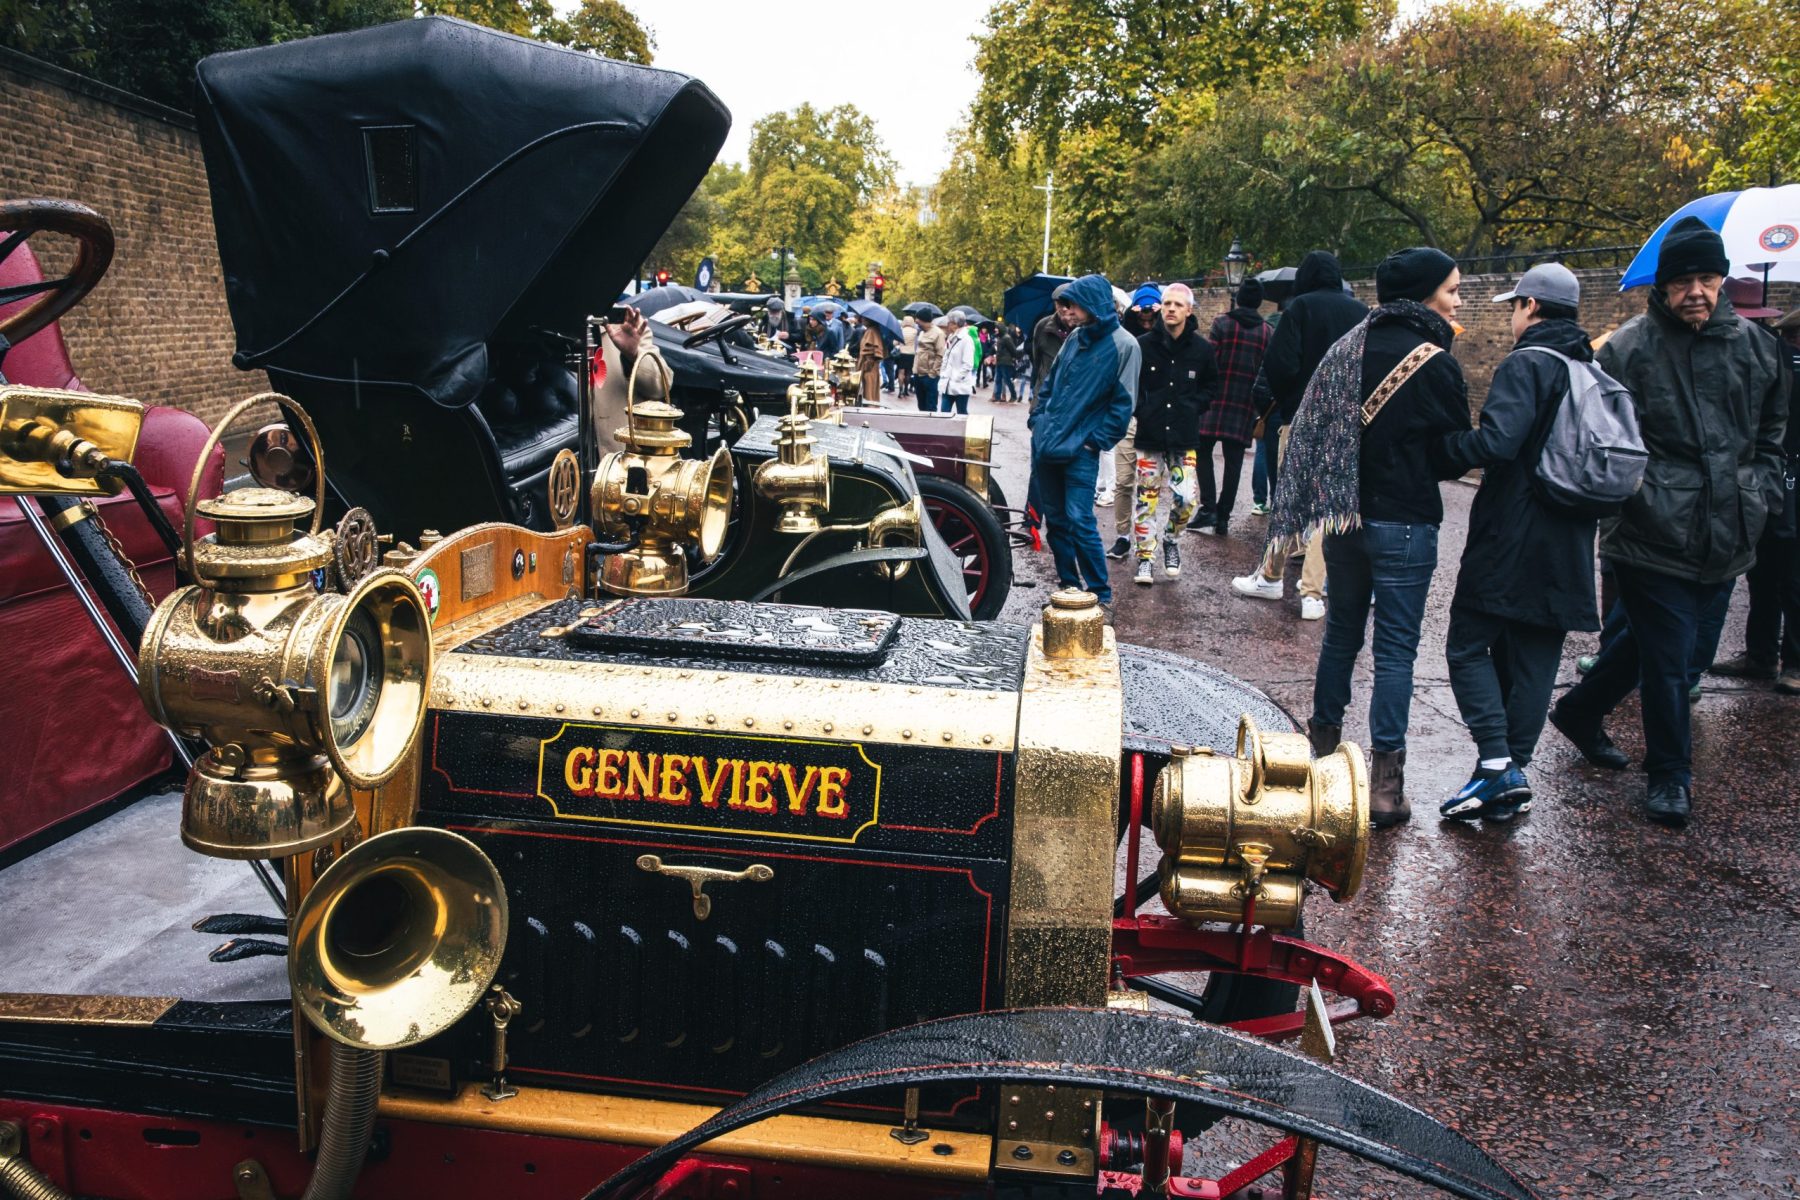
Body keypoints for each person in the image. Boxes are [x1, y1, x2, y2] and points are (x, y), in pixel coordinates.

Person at [1550, 217, 1790, 827]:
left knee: (1657, 644)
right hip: (1650, 531)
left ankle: (1581, 709)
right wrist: (1638, 495)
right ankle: (1671, 776)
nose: (1697, 293)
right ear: (1664, 286)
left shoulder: (1758, 349)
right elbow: (1600, 439)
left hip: (1731, 525)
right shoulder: (1628, 349)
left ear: (1723, 280)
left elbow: (1771, 434)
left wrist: (1757, 490)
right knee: (1672, 661)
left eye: (1708, 279)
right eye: (1684, 281)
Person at [1267, 247, 1471, 828]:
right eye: (1453, 291)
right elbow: (1451, 456)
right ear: (1426, 294)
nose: (1457, 301)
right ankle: (1385, 788)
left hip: (1345, 520)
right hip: (1405, 522)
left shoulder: (1344, 351)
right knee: (1396, 653)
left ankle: (1321, 754)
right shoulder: (1436, 361)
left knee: (1341, 636)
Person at [1435, 263, 1600, 823]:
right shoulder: (1587, 366)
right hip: (1570, 536)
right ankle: (1512, 774)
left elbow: (1499, 442)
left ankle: (1496, 763)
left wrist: (1446, 449)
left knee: (1464, 645)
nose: (1511, 316)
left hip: (1514, 533)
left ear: (1530, 307)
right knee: (1536, 659)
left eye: (1514, 306)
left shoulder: (1527, 361)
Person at [1233, 251, 1367, 619]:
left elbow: (1280, 364)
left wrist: (1291, 395)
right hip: (1345, 424)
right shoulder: (1361, 313)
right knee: (1328, 508)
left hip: (1301, 417)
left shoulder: (1301, 308)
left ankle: (1272, 576)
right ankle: (1312, 593)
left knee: (1290, 498)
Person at [1029, 275, 1139, 611]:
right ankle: (1069, 587)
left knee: (1080, 520)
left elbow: (1124, 405)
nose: (1064, 311)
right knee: (1057, 521)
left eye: (1071, 304)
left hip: (1080, 450)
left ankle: (1100, 595)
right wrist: (1038, 421)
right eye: (1062, 305)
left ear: (1091, 304)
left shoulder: (1125, 345)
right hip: (1048, 443)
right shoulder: (1075, 338)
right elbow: (1050, 384)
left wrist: (1095, 442)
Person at [1707, 297, 1800, 694]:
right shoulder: (1770, 367)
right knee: (1762, 570)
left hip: (1789, 475)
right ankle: (1761, 654)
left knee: (1791, 574)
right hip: (1770, 474)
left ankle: (1792, 662)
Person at [1129, 282, 1217, 585]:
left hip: (1184, 437)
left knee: (1187, 498)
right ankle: (1144, 557)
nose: (1170, 309)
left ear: (1189, 310)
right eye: (1166, 304)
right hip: (1150, 435)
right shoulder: (1143, 345)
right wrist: (1143, 407)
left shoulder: (1202, 350)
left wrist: (1192, 406)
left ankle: (1171, 540)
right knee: (1146, 500)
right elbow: (1132, 385)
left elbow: (1211, 387)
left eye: (1177, 305)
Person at [1198, 278, 1272, 537]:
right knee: (1234, 463)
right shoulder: (1266, 332)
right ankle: (1223, 517)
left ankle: (1207, 506)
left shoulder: (1222, 323)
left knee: (1202, 451)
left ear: (1239, 298)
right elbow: (1266, 372)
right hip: (1244, 404)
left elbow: (1209, 360)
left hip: (1215, 399)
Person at [1031, 302, 1073, 413]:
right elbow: (1036, 360)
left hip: (1070, 398)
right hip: (1045, 392)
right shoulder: (1042, 325)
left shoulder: (1083, 328)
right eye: (1060, 304)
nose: (1064, 308)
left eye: (1068, 304)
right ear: (1055, 305)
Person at [939, 312, 975, 414]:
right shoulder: (951, 337)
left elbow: (968, 364)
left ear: (955, 324)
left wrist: (956, 378)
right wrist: (943, 373)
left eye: (949, 322)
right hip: (948, 383)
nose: (947, 325)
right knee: (944, 412)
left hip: (960, 385)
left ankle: (965, 430)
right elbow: (946, 357)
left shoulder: (966, 340)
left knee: (962, 413)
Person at [913, 312, 945, 413]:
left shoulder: (938, 333)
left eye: (918, 322)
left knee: (930, 406)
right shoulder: (921, 332)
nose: (917, 324)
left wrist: (933, 373)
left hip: (929, 375)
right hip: (918, 373)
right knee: (921, 405)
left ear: (925, 321)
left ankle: (931, 427)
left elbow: (940, 354)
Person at [857, 314, 885, 406]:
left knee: (869, 391)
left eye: (865, 318)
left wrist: (869, 361)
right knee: (869, 389)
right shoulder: (871, 330)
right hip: (868, 366)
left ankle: (870, 408)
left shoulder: (872, 331)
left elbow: (872, 350)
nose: (862, 319)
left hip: (868, 366)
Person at [992, 322, 1023, 402]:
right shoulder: (1000, 338)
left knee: (1007, 380)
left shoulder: (1006, 338)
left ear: (1000, 329)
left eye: (997, 328)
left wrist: (1014, 357)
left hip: (1006, 362)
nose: (995, 329)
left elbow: (1012, 349)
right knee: (998, 379)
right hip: (1000, 361)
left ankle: (1013, 395)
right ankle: (997, 396)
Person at [895, 314, 918, 396]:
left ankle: (900, 389)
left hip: (902, 353)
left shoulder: (900, 330)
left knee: (901, 372)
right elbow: (917, 343)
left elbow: (895, 343)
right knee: (908, 372)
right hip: (911, 354)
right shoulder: (915, 331)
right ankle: (906, 389)